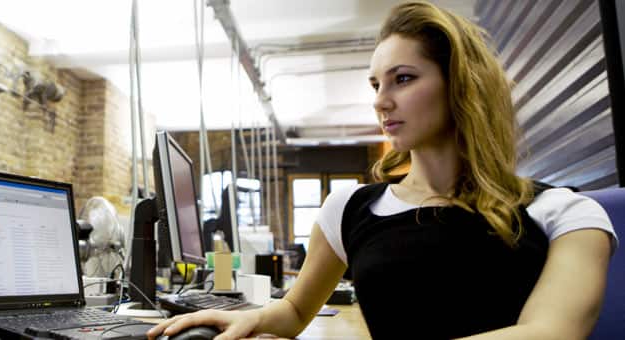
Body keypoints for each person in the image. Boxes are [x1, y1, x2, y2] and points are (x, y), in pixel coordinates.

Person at [147, 1, 618, 339]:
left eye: (403, 79)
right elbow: (294, 310)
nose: (380, 101)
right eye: (375, 83)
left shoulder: (566, 213)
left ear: (461, 86)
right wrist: (252, 318)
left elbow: (552, 331)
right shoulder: (347, 209)